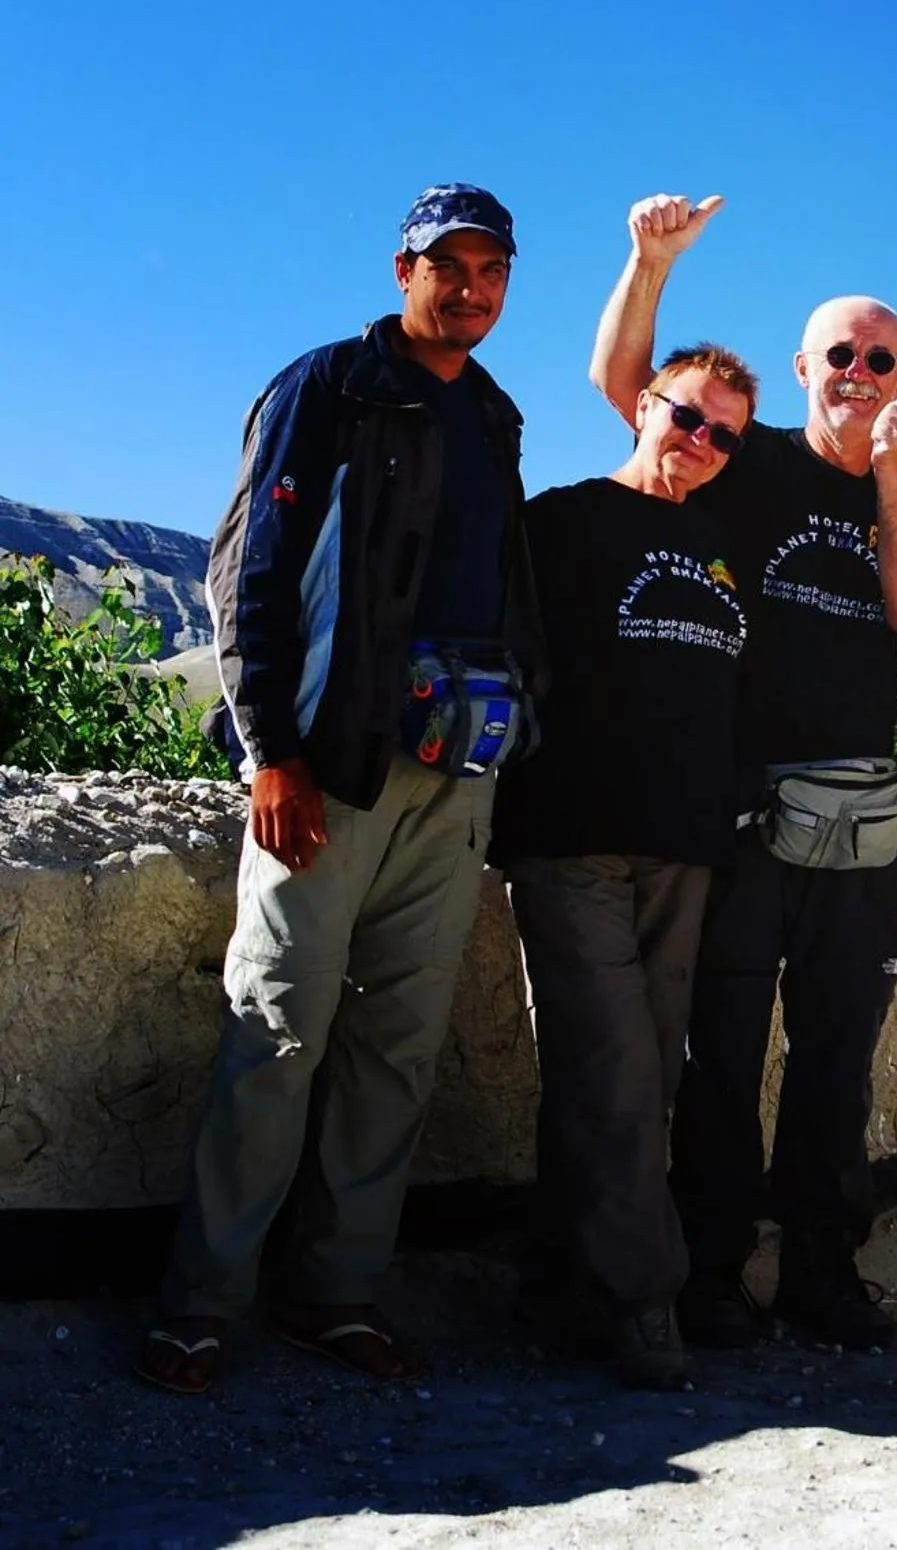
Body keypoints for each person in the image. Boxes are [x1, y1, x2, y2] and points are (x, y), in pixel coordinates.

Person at [137, 185, 547, 1394]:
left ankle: (336, 1290)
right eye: (449, 265)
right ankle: (201, 1303)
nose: (470, 289)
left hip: (453, 775)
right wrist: (271, 751)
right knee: (277, 1031)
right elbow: (247, 571)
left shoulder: (498, 416)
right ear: (402, 266)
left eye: (493, 270)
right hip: (330, 771)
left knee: (397, 1048)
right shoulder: (328, 386)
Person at [589, 191, 897, 1350]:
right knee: (723, 1054)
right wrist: (647, 266)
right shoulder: (747, 465)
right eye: (840, 352)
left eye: (879, 357)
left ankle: (823, 1271)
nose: (858, 369)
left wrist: (890, 476)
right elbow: (633, 395)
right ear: (804, 363)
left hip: (861, 814)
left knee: (838, 1050)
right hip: (742, 807)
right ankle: (707, 1275)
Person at [491, 342, 757, 1388]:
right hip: (570, 834)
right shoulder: (561, 521)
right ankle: (646, 1303)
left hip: (683, 848)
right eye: (686, 417)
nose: (700, 443)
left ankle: (560, 1284)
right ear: (641, 406)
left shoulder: (716, 540)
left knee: (629, 1075)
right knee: (615, 1070)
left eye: (723, 434)